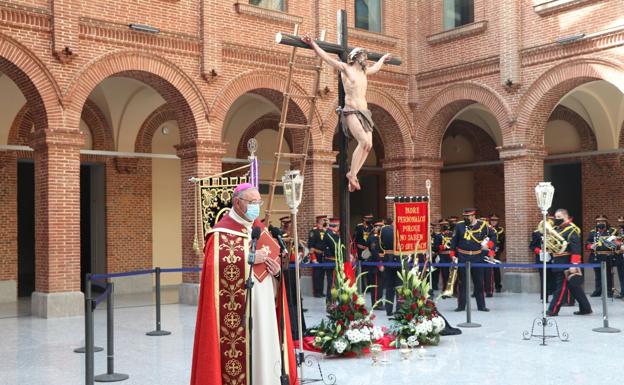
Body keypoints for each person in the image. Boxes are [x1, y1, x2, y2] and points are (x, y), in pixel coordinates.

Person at [190, 183, 298, 385]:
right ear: (237, 203)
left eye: (259, 202)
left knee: (265, 347)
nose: (256, 206)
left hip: (265, 304)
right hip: (241, 311)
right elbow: (215, 265)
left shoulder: (260, 229)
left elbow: (273, 263)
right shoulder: (220, 232)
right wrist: (248, 257)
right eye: (252, 202)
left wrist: (276, 273)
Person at [302, 34, 391, 192]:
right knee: (363, 142)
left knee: (369, 145)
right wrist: (313, 44)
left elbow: (376, 67)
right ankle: (352, 175)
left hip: (364, 112)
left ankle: (353, 174)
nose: (366, 59)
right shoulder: (346, 69)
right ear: (356, 57)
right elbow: (327, 58)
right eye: (363, 56)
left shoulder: (364, 72)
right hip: (351, 111)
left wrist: (383, 59)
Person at [546, 209, 592, 316]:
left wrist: (574, 265)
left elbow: (576, 249)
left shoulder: (572, 230)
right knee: (574, 287)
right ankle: (586, 308)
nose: (556, 220)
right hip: (558, 260)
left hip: (566, 262)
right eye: (555, 217)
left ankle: (553, 309)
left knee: (561, 287)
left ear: (565, 217)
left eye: (558, 217)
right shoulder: (558, 229)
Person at [449, 208, 491, 312]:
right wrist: (453, 255)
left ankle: (481, 306)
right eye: (465, 216)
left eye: (468, 216)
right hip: (463, 257)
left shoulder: (483, 225)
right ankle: (461, 306)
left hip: (477, 257)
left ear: (473, 216)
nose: (466, 218)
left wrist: (489, 245)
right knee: (462, 283)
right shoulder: (459, 226)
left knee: (479, 282)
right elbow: (454, 241)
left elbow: (493, 236)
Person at [586, 215, 617, 298]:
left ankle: (609, 292)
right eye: (598, 221)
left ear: (606, 221)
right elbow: (587, 242)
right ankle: (598, 290)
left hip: (608, 256)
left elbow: (617, 242)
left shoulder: (612, 231)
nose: (600, 223)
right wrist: (590, 246)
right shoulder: (593, 232)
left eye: (602, 221)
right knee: (598, 275)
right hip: (597, 256)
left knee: (608, 275)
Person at [380, 217, 399, 316]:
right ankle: (399, 309)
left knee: (389, 287)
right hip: (399, 258)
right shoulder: (400, 230)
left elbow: (380, 245)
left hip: (387, 259)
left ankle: (389, 309)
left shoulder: (383, 230)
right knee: (399, 287)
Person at [307, 215, 328, 298]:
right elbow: (311, 246)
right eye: (323, 220)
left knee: (322, 274)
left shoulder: (325, 231)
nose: (325, 221)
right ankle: (316, 292)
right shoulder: (313, 231)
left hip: (323, 255)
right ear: (319, 220)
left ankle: (321, 291)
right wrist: (314, 257)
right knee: (317, 274)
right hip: (316, 255)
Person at [323, 218, 342, 303]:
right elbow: (336, 248)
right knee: (332, 283)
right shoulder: (330, 234)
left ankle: (333, 300)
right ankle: (330, 301)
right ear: (336, 225)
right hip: (331, 261)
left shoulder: (331, 233)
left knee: (334, 282)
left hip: (333, 261)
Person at [354, 214, 374, 293]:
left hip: (368, 250)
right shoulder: (359, 227)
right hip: (360, 250)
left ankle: (369, 287)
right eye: (368, 219)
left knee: (369, 270)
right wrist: (360, 246)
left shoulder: (371, 227)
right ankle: (361, 287)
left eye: (370, 219)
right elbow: (355, 239)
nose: (369, 220)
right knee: (361, 270)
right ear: (364, 219)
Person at [366, 221, 384, 307]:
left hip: (378, 262)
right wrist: (379, 263)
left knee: (380, 285)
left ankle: (379, 302)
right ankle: (377, 304)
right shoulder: (373, 237)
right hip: (375, 264)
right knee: (376, 285)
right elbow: (374, 251)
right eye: (380, 227)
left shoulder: (379, 237)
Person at [434, 219, 454, 293]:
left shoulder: (452, 234)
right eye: (443, 225)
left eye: (446, 224)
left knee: (453, 273)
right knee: (444, 274)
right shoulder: (438, 236)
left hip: (451, 256)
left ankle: (453, 290)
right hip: (443, 256)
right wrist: (443, 246)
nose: (445, 226)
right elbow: (436, 247)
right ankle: (445, 289)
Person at [489, 214, 505, 293]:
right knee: (487, 270)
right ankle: (488, 286)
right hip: (487, 250)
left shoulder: (500, 230)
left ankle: (498, 286)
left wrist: (499, 250)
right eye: (492, 220)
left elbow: (501, 242)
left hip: (496, 251)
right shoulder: (487, 229)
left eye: (495, 220)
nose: (493, 222)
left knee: (496, 269)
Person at [615, 216, 624, 298]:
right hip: (620, 257)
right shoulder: (620, 231)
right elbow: (618, 241)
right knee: (621, 276)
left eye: (621, 222)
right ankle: (622, 292)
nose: (620, 224)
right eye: (619, 222)